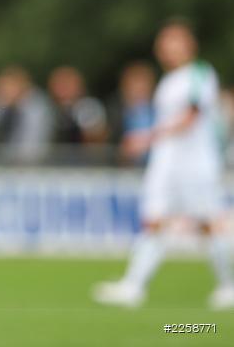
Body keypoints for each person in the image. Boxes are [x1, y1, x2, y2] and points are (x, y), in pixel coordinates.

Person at [93, 20, 234, 310]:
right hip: (167, 164)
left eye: (173, 41)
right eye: (164, 42)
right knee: (153, 221)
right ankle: (134, 286)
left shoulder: (200, 74)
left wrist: (148, 138)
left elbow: (190, 117)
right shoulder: (169, 81)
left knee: (210, 223)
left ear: (189, 45)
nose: (166, 48)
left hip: (196, 164)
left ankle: (228, 286)